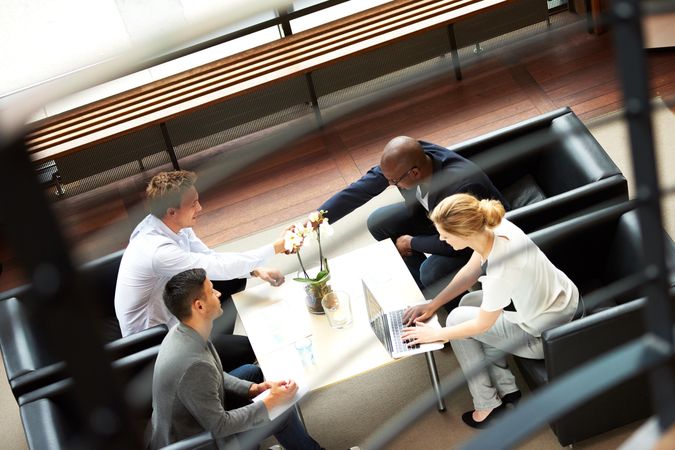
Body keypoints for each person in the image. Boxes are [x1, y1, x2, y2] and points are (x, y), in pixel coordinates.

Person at [401, 193, 579, 428]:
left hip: (546, 334)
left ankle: (487, 405)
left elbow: (482, 325)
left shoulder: (501, 267)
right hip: (559, 301)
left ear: (464, 233)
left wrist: (436, 335)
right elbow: (470, 272)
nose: (441, 240)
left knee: (455, 320)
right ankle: (507, 388)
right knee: (466, 305)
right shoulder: (492, 226)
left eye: (445, 234)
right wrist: (433, 303)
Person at [115, 170, 287, 371]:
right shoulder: (157, 251)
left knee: (233, 280)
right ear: (172, 211)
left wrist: (255, 270)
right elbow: (215, 267)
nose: (200, 207)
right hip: (158, 338)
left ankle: (216, 346)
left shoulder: (173, 224)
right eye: (193, 204)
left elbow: (210, 258)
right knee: (249, 348)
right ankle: (214, 360)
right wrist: (276, 247)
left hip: (174, 305)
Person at [318, 136, 507, 302]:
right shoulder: (411, 158)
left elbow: (459, 244)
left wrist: (412, 242)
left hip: (472, 239)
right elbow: (361, 189)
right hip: (433, 216)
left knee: (431, 271)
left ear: (414, 173)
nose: (390, 184)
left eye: (393, 181)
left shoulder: (460, 186)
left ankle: (450, 308)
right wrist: (317, 219)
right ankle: (423, 293)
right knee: (378, 222)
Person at [150, 268, 322, 450]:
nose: (218, 293)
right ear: (199, 306)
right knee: (280, 412)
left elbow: (214, 374)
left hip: (201, 410)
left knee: (251, 372)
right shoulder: (194, 366)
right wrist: (270, 402)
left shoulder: (186, 330)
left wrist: (255, 389)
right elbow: (219, 426)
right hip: (200, 439)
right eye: (211, 291)